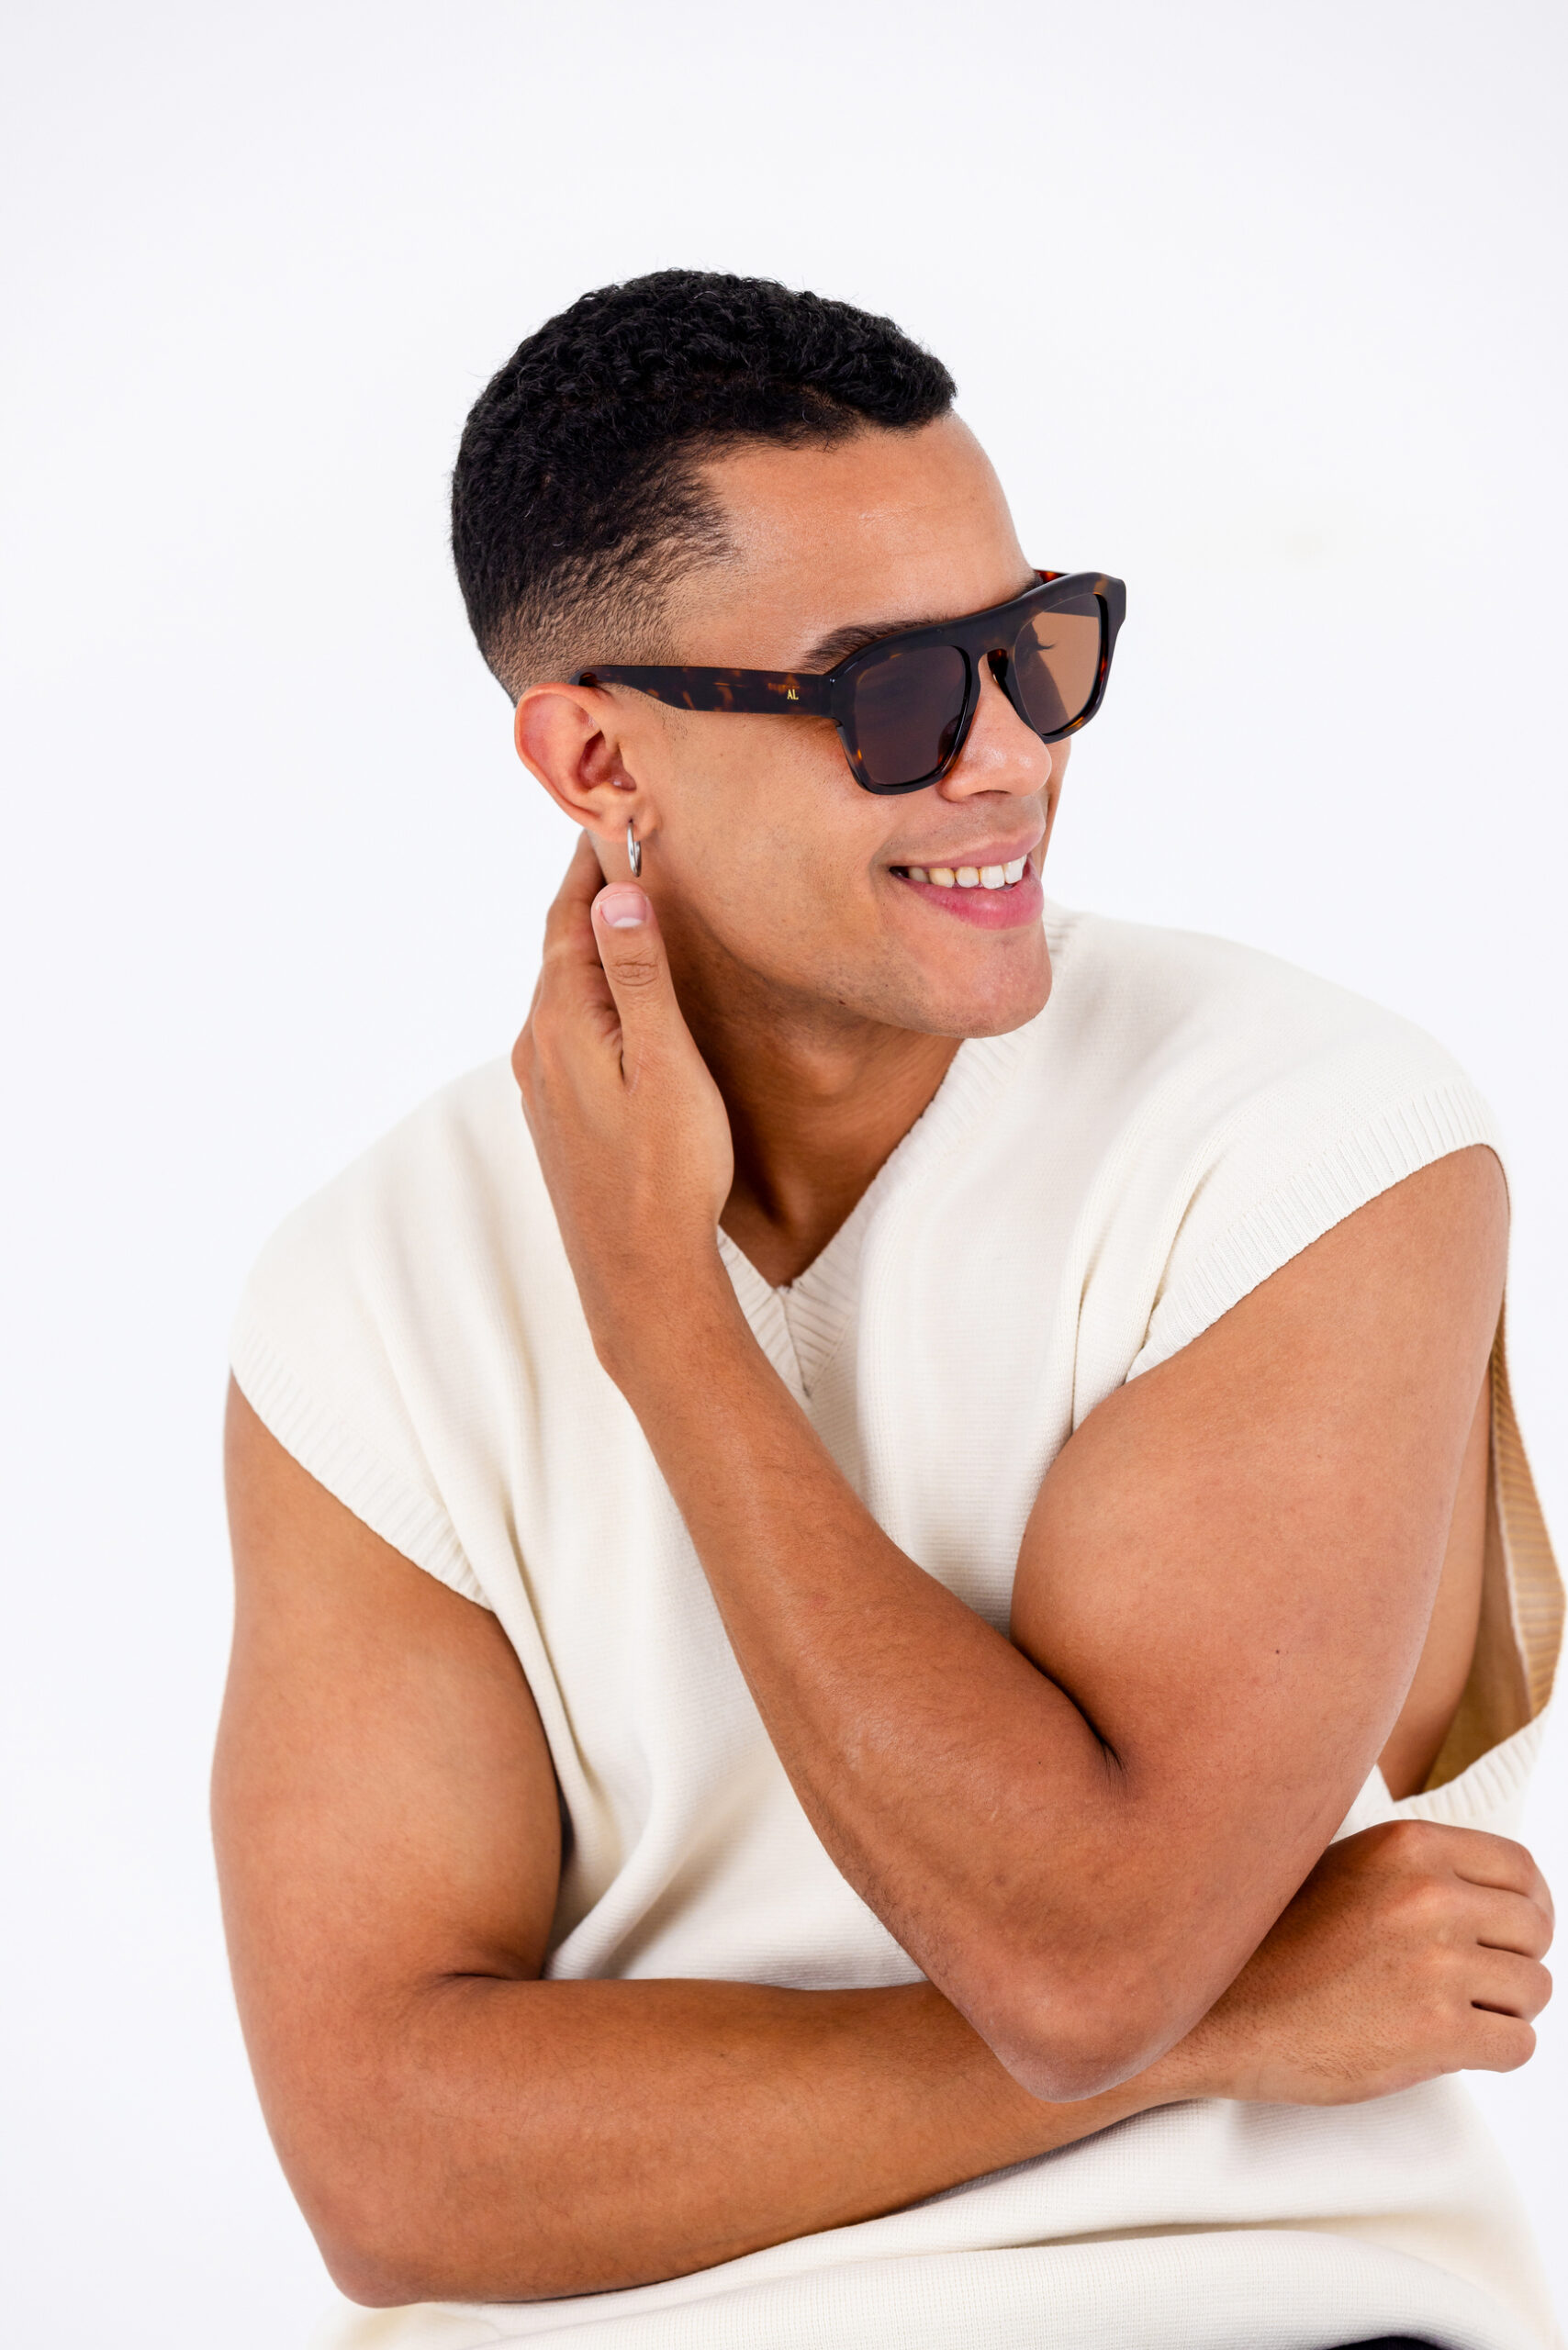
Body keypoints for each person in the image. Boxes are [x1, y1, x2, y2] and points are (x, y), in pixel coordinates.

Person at [214, 271, 1562, 2350]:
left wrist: (666, 1326)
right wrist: (1223, 2027)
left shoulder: (1307, 1147)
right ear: (596, 755)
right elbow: (390, 2171)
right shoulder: (368, 1294)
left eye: (1036, 645)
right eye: (898, 694)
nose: (1012, 754)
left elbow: (1080, 1962)